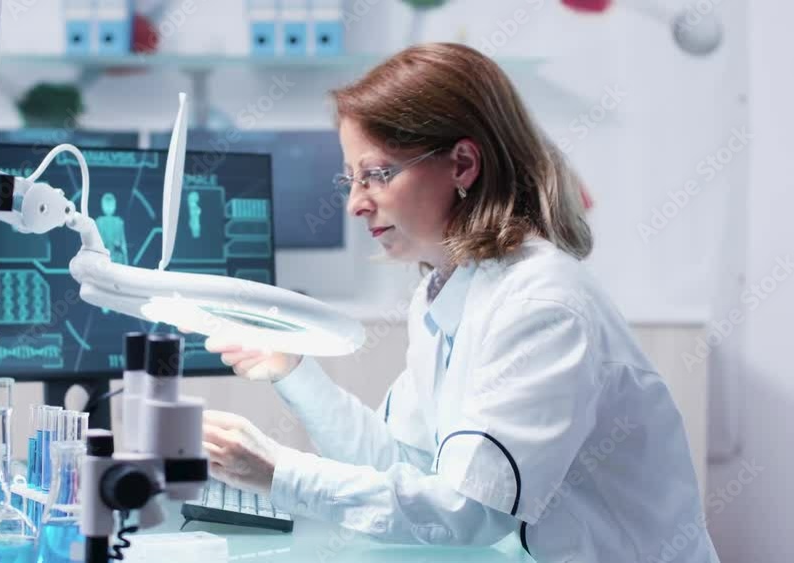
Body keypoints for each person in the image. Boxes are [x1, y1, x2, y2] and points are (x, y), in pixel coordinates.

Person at [200, 43, 719, 562]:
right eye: (349, 179)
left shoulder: (541, 305)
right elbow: (398, 462)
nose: (355, 203)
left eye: (377, 174)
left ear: (463, 164)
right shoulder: (447, 291)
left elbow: (469, 512)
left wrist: (280, 473)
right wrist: (295, 373)